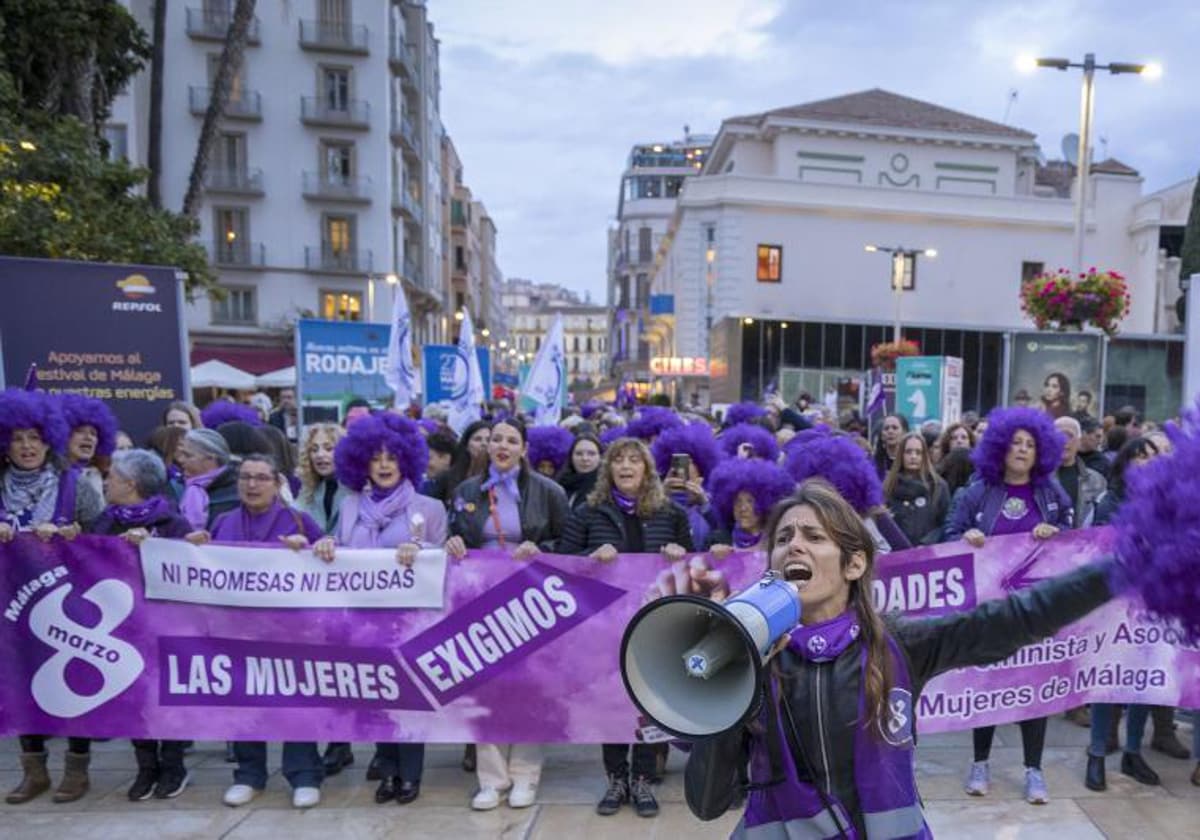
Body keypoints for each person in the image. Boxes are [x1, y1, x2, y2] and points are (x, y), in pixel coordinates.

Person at [679, 479, 1120, 838]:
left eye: (814, 536)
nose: (794, 545)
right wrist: (731, 685)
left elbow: (1018, 618)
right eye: (783, 538)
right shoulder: (748, 660)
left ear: (854, 565)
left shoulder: (898, 643)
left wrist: (1121, 569)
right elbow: (706, 804)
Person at [311, 413, 447, 804]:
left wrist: (421, 551)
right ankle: (386, 770)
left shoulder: (430, 507)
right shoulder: (351, 504)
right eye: (376, 457)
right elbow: (338, 544)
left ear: (408, 461)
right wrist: (326, 546)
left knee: (409, 698)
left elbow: (447, 559)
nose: (385, 464)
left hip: (410, 620)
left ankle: (410, 775)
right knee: (375, 697)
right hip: (362, 618)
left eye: (392, 456)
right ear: (361, 463)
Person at [557, 437, 694, 818]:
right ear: (608, 469)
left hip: (654, 627)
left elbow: (691, 563)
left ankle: (643, 781)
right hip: (604, 629)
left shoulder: (671, 513)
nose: (626, 466)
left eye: (634, 460)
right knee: (611, 702)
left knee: (650, 703)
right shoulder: (588, 512)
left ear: (647, 469)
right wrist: (589, 557)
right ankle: (616, 779)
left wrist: (679, 553)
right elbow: (564, 564)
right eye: (618, 460)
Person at [943, 407, 1073, 804]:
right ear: (1000, 447)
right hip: (990, 612)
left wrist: (1057, 533)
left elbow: (1076, 539)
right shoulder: (977, 490)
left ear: (1041, 452)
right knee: (989, 683)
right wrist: (968, 536)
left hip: (1036, 611)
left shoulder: (1052, 492)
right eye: (1015, 442)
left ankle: (1034, 770)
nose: (1021, 449)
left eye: (1030, 444)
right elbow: (948, 532)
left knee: (1036, 687)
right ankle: (980, 763)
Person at [187, 454, 326, 809]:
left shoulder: (298, 519)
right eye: (246, 477)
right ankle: (249, 774)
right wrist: (197, 548)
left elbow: (330, 563)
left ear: (277, 483)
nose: (252, 485)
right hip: (238, 630)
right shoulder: (222, 521)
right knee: (244, 701)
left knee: (295, 701)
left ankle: (304, 775)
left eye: (261, 478)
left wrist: (308, 548)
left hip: (289, 631)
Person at [444, 418, 569, 811]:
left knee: (529, 691)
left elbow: (568, 545)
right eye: (496, 438)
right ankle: (491, 779)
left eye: (511, 440)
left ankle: (525, 776)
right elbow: (454, 535)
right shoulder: (466, 490)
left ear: (524, 448)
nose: (502, 445)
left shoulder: (549, 492)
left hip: (532, 605)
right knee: (486, 691)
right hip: (479, 605)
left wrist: (540, 547)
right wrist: (454, 541)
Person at [1, 389, 104, 805]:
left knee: (71, 678)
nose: (27, 447)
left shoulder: (73, 484)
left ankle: (77, 768)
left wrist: (71, 535)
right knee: (17, 678)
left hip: (66, 600)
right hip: (11, 603)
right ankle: (34, 769)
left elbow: (103, 538)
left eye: (35, 438)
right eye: (18, 438)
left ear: (49, 441)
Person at [88, 449, 193, 801]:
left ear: (130, 484)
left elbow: (190, 566)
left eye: (112, 478)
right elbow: (86, 560)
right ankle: (146, 766)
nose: (107, 483)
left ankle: (174, 764)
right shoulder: (105, 521)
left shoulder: (171, 522)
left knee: (168, 697)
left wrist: (155, 548)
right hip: (121, 625)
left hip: (165, 625)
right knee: (133, 697)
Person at [1084, 436, 1167, 792]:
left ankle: (1133, 752)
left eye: (1153, 456)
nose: (1147, 462)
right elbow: (1094, 549)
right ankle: (1097, 754)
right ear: (1125, 464)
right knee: (1110, 680)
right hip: (1114, 602)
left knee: (1145, 682)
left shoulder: (1167, 502)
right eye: (1140, 456)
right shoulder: (1108, 501)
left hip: (1153, 602)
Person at [704, 457, 795, 556]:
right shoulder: (716, 539)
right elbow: (697, 566)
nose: (743, 508)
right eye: (737, 501)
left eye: (750, 501)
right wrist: (713, 560)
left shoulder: (779, 539)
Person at [650, 423, 722, 548]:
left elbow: (724, 534)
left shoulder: (712, 504)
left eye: (690, 461)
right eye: (676, 463)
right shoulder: (656, 502)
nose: (683, 469)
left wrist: (704, 504)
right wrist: (660, 497)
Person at [883, 432, 950, 545]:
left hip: (929, 554)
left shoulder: (938, 486)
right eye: (908, 452)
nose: (913, 456)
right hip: (896, 555)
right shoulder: (888, 485)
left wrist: (926, 543)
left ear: (924, 456)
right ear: (901, 455)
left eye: (918, 452)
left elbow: (945, 523)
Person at [177, 428, 239, 531]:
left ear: (210, 459)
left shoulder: (236, 492)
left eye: (188, 455)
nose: (180, 460)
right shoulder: (175, 487)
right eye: (181, 454)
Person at [61, 393, 118, 499]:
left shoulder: (96, 476)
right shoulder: (50, 476)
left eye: (93, 433)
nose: (88, 437)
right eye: (80, 431)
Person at [1053, 416, 1107, 528]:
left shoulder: (1096, 481)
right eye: (1059, 436)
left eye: (1070, 436)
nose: (1064, 442)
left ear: (1079, 441)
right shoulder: (1040, 478)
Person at [295, 423, 348, 536]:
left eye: (328, 449)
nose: (320, 455)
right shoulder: (309, 489)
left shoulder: (356, 489)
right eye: (314, 450)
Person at [557, 432, 603, 511]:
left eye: (591, 454)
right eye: (579, 454)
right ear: (571, 457)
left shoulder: (605, 487)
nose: (585, 458)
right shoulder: (560, 484)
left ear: (600, 457)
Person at [872, 413, 908, 478]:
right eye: (886, 428)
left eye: (895, 428)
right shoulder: (873, 464)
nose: (890, 431)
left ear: (904, 433)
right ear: (882, 435)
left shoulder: (909, 460)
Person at [1077, 415, 1110, 479]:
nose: (1100, 442)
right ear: (1084, 434)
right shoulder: (1069, 457)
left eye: (1101, 437)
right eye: (1097, 436)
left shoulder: (1102, 462)